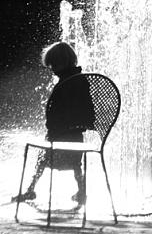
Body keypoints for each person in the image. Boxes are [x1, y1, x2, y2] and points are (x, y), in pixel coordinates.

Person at [12, 42, 95, 206]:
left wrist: (55, 129)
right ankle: (82, 191)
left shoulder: (65, 83)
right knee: (76, 164)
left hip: (60, 136)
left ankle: (30, 189)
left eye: (54, 65)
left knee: (42, 158)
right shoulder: (81, 80)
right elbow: (87, 112)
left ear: (63, 63)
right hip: (77, 138)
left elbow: (56, 113)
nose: (52, 69)